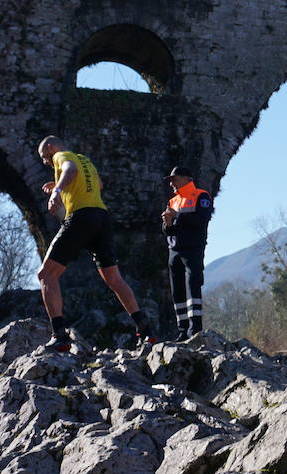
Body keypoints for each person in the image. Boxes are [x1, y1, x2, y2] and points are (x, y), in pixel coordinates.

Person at [36, 135, 155, 351]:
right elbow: (98, 185)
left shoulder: (62, 156)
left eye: (45, 157)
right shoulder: (86, 161)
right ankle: (144, 329)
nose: (46, 163)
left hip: (81, 217)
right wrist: (64, 183)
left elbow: (70, 169)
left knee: (46, 275)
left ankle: (59, 335)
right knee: (113, 277)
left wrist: (57, 190)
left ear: (51, 148)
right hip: (102, 218)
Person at [162, 165, 213, 338]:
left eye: (174, 180)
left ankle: (195, 329)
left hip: (193, 248)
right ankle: (182, 330)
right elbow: (169, 230)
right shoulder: (172, 201)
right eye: (170, 181)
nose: (172, 184)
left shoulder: (201, 195)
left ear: (187, 179)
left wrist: (177, 216)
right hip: (174, 250)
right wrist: (167, 223)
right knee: (177, 290)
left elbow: (201, 220)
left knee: (193, 286)